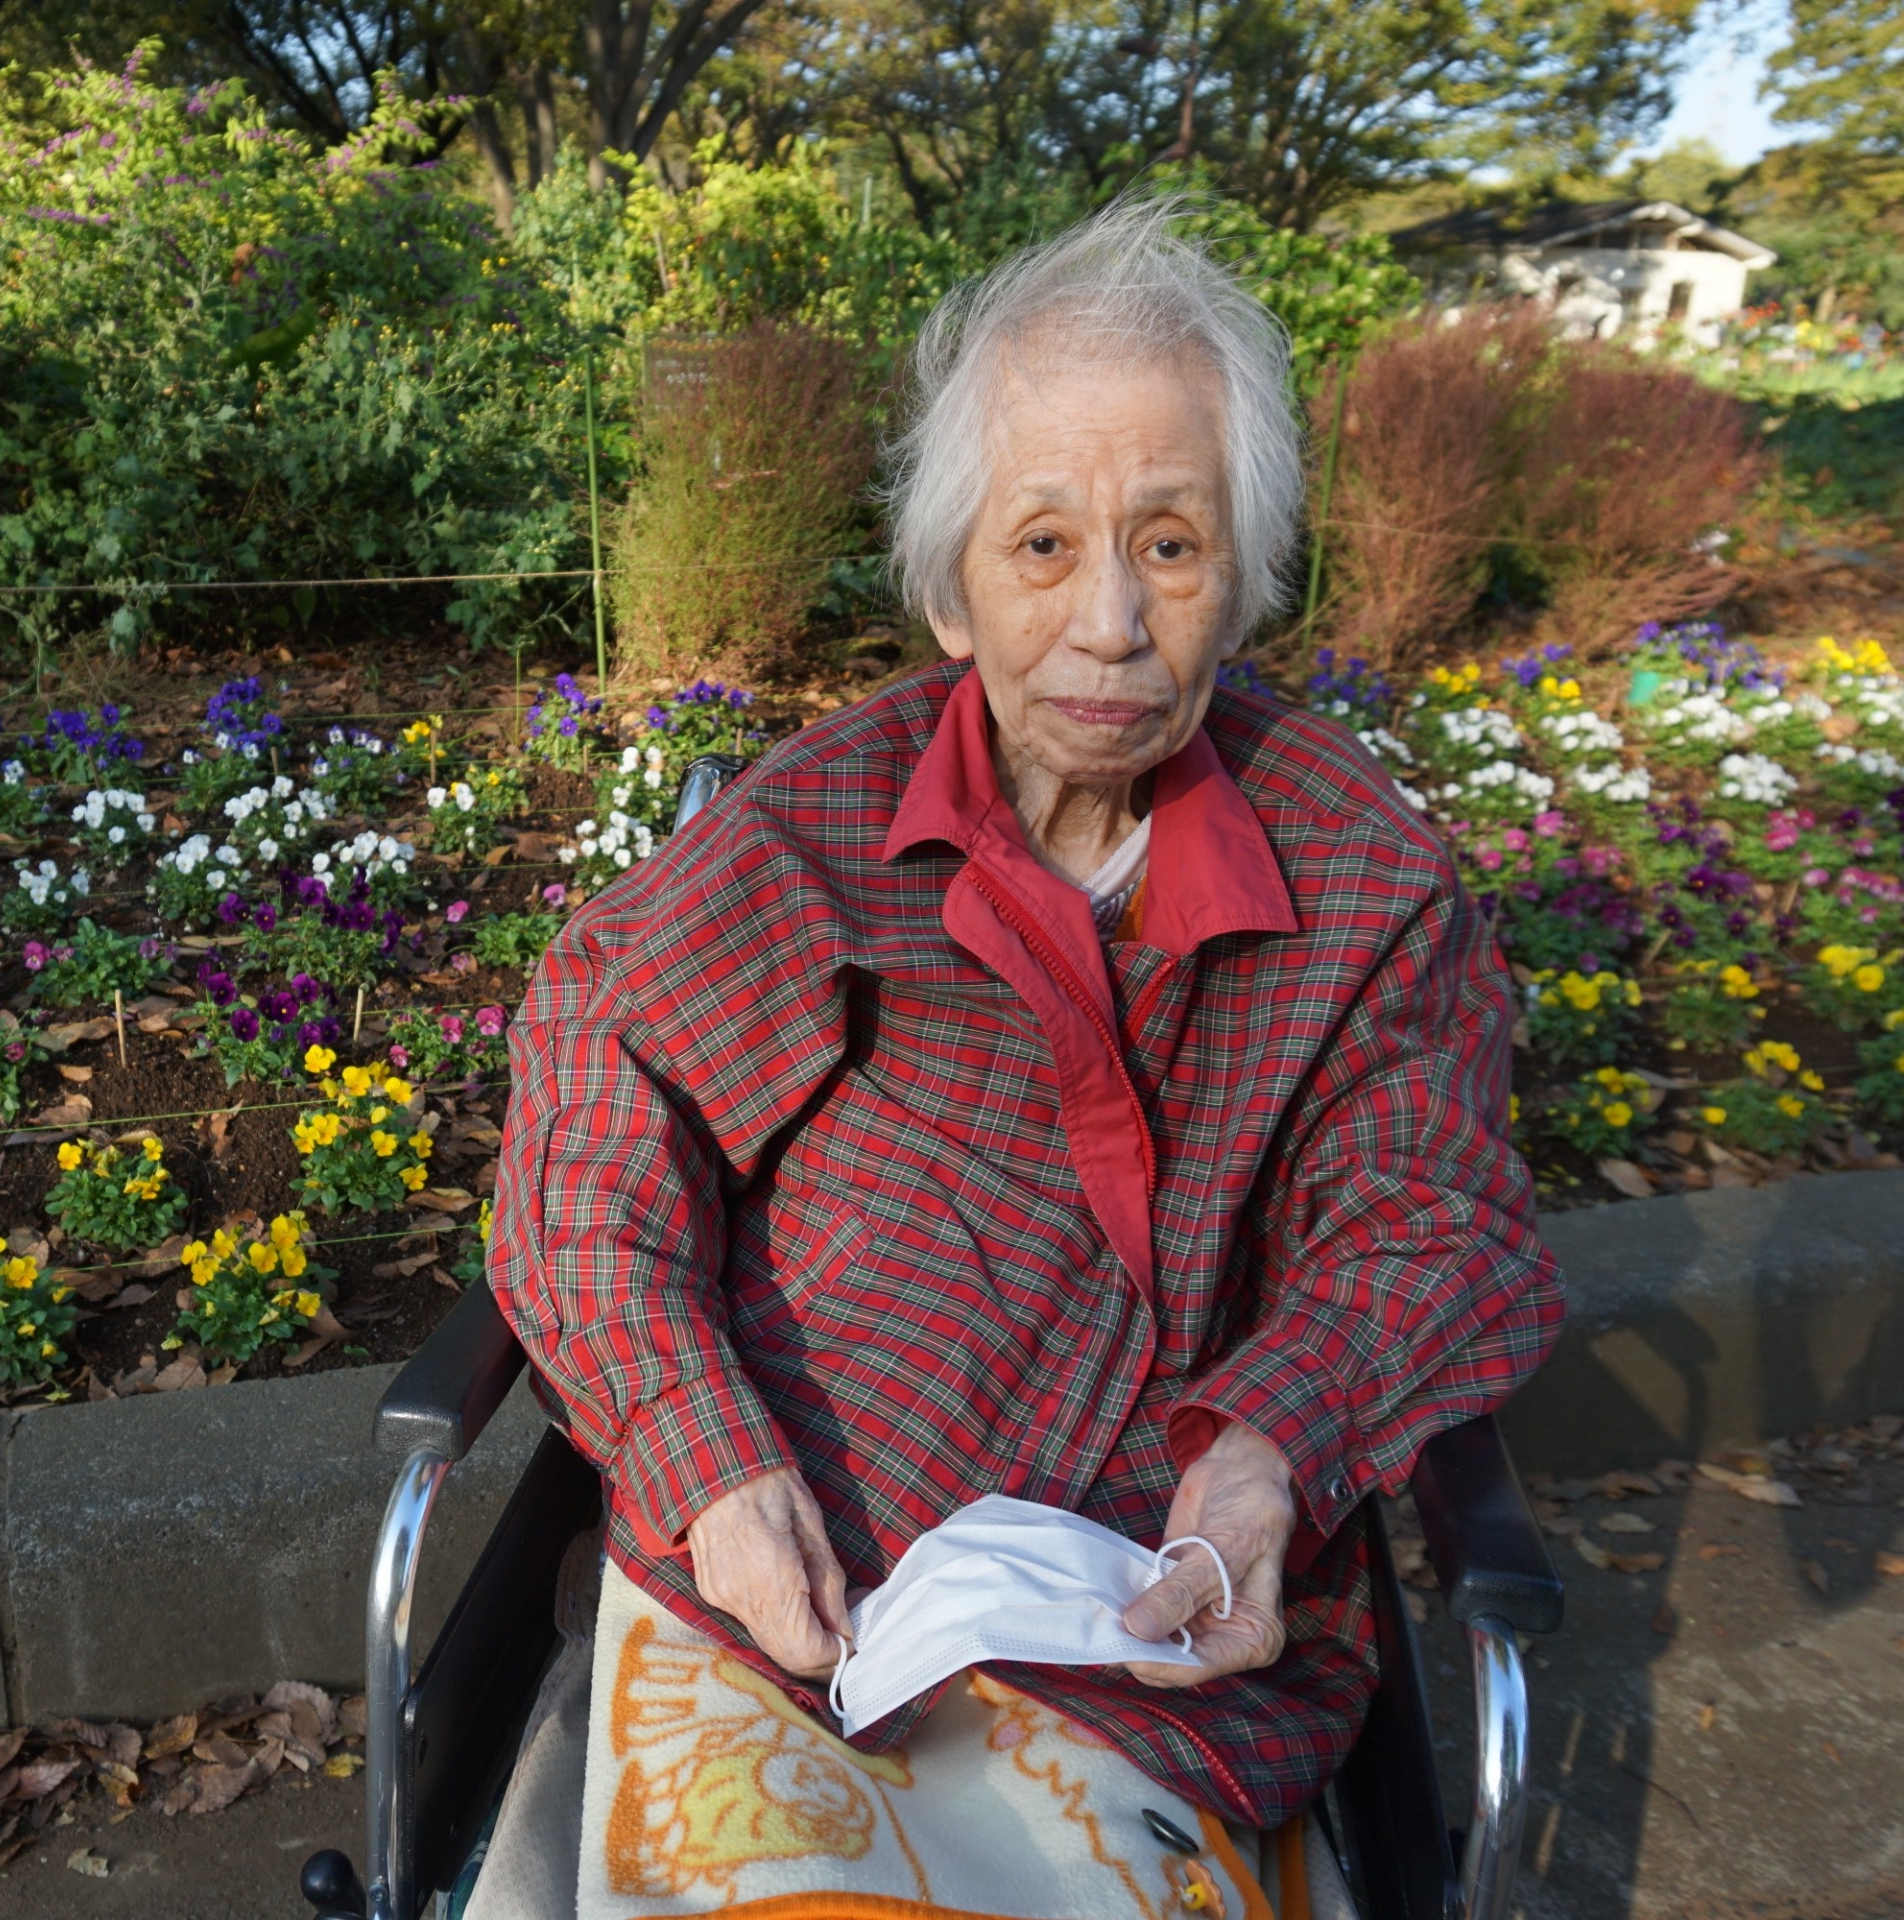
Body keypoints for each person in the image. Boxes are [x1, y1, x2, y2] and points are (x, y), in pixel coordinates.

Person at [476, 196, 1563, 1920]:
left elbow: (1429, 1220)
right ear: (954, 593)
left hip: (1158, 1612)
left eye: (1174, 546)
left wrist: (1275, 1448)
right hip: (792, 1583)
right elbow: (595, 1124)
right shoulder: (812, 837)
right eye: (1045, 545)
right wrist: (707, 1457)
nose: (1114, 622)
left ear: (1245, 582)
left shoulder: (1360, 876)